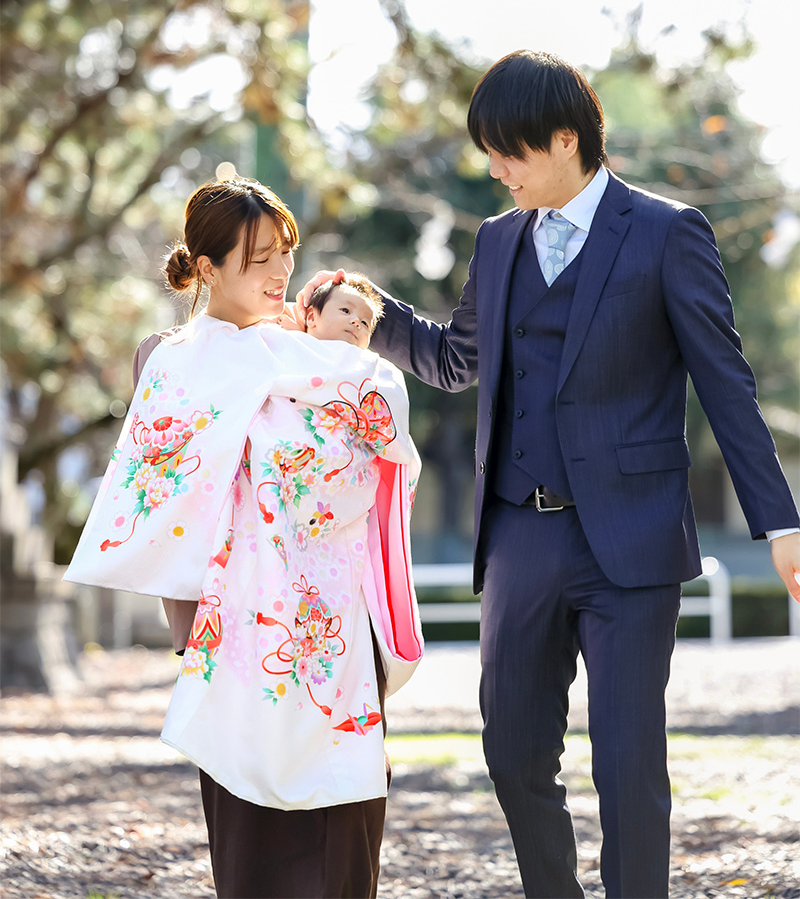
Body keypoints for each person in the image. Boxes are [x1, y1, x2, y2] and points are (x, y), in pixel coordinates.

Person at [299, 50, 800, 899]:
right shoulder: (498, 242)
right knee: (513, 751)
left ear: (566, 138)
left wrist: (781, 522)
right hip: (520, 536)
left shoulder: (667, 231)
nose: (498, 172)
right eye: (490, 155)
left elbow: (725, 383)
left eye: (511, 153)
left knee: (627, 761)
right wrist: (373, 317)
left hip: (632, 537)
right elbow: (457, 359)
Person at [66, 177, 423, 899]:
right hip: (233, 629)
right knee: (250, 844)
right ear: (208, 267)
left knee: (344, 829)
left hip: (331, 620)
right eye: (260, 257)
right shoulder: (170, 358)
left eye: (286, 252)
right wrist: (187, 632)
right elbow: (170, 499)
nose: (281, 271)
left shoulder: (318, 353)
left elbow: (375, 443)